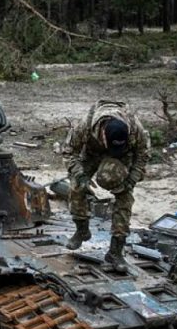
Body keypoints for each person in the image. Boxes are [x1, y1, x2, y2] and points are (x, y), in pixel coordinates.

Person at [61, 100, 150, 272]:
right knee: (76, 187)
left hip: (123, 157)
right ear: (102, 133)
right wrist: (80, 175)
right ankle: (82, 230)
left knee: (125, 198)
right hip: (92, 153)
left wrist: (131, 180)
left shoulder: (136, 129)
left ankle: (116, 251)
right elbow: (68, 151)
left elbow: (143, 156)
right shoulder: (84, 127)